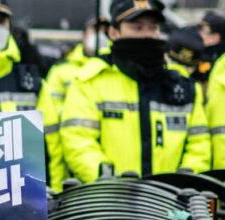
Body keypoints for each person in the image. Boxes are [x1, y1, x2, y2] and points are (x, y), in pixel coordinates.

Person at [61, 0, 210, 181]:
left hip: (171, 201)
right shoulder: (89, 83)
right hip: (110, 200)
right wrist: (113, 185)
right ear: (114, 33)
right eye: (137, 28)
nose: (147, 35)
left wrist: (181, 183)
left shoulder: (183, 87)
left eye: (153, 28)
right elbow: (78, 142)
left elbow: (199, 145)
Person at [39, 16, 109, 191]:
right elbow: (52, 122)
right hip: (68, 165)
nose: (101, 35)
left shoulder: (116, 74)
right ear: (84, 35)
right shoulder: (61, 72)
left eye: (105, 31)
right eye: (95, 30)